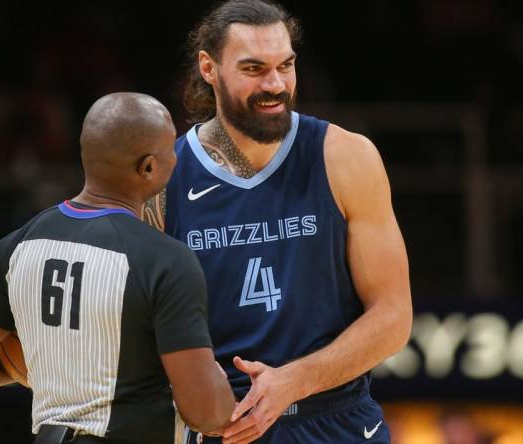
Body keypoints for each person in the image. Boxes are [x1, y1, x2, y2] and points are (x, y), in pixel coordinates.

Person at [143, 1, 413, 443]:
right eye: (254, 68)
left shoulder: (345, 156)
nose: (275, 84)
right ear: (209, 68)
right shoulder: (163, 183)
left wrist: (294, 380)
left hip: (335, 419)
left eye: (285, 65)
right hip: (223, 426)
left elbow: (393, 316)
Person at [0, 92, 235, 444]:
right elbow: (205, 413)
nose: (176, 159)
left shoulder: (17, 244)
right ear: (148, 167)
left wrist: (22, 370)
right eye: (171, 150)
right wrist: (219, 387)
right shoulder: (166, 260)